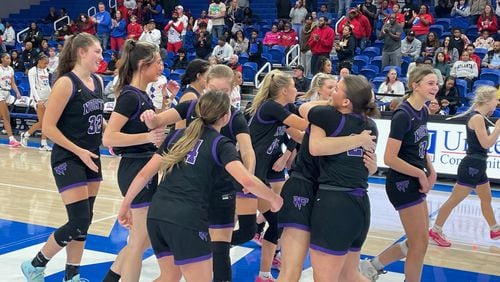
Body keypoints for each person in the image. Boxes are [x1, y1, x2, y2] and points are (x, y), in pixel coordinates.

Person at [118, 90, 281, 282]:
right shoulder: (221, 144)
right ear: (226, 117)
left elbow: (145, 174)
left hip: (158, 215)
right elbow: (246, 180)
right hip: (187, 220)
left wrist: (125, 205)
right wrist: (273, 198)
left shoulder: (177, 135)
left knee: (169, 277)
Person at [138, 65, 257, 282]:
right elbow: (156, 121)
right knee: (173, 270)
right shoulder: (191, 106)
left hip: (220, 191)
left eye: (223, 90)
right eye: (212, 88)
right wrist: (149, 116)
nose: (217, 94)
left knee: (220, 253)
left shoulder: (235, 117)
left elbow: (248, 150)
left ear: (232, 90)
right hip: (189, 196)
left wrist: (248, 177)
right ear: (204, 86)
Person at [21, 32, 105, 282]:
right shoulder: (66, 83)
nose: (101, 56)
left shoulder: (98, 81)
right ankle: (35, 264)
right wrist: (78, 150)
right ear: (81, 52)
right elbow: (48, 127)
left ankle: (72, 276)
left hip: (92, 156)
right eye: (97, 51)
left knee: (85, 221)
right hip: (68, 158)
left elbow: (98, 120)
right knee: (78, 220)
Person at [360, 66, 439, 282]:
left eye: (436, 83)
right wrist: (420, 175)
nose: (436, 87)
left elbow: (421, 147)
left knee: (418, 240)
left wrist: (431, 170)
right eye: (430, 83)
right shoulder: (403, 115)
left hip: (414, 177)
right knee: (420, 243)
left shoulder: (422, 110)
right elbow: (390, 158)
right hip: (402, 182)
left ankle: (372, 266)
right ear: (415, 85)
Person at [101, 40, 166, 282]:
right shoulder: (130, 96)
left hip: (143, 166)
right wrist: (147, 136)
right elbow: (109, 137)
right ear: (143, 64)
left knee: (142, 238)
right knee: (139, 242)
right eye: (157, 62)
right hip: (134, 167)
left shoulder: (142, 95)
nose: (161, 66)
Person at [307, 75, 379, 282]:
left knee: (325, 278)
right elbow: (368, 167)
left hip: (334, 204)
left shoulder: (327, 116)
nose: (331, 92)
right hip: (360, 205)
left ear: (346, 101)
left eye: (336, 89)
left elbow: (316, 147)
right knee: (349, 276)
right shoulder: (370, 125)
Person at [246, 70, 309, 282]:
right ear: (284, 90)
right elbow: (304, 125)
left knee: (275, 222)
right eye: (293, 86)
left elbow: (298, 135)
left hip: (258, 176)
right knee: (238, 230)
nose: (296, 89)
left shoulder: (285, 107)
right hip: (244, 174)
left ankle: (263, 275)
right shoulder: (270, 107)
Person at [429, 86, 500, 247]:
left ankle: (495, 229)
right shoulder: (477, 118)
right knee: (454, 200)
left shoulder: (479, 117)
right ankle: (435, 230)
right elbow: (486, 143)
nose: (497, 102)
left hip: (477, 164)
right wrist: (497, 130)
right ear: (487, 101)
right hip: (472, 165)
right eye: (496, 99)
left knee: (486, 198)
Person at [21, 53, 52, 151]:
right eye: (44, 62)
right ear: (39, 61)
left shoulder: (46, 70)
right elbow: (32, 87)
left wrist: (52, 96)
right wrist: (38, 100)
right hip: (38, 99)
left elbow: (47, 85)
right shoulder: (32, 71)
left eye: (47, 63)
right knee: (43, 122)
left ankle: (43, 144)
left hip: (47, 97)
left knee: (46, 122)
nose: (46, 64)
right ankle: (26, 134)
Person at [0, 53, 22, 146]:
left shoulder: (11, 69)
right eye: (7, 58)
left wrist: (17, 92)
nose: (9, 60)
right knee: (6, 116)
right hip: (0, 92)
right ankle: (11, 139)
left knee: (2, 116)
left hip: (7, 92)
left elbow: (12, 83)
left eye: (9, 58)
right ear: (2, 59)